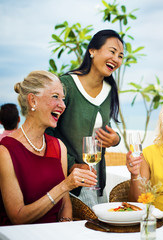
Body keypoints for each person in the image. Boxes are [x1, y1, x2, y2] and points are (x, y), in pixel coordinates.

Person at [0, 70, 97, 225]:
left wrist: (65, 227)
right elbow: (17, 217)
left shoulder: (59, 147)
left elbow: (65, 204)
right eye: (55, 97)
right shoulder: (5, 151)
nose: (63, 105)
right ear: (32, 101)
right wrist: (65, 185)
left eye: (63, 99)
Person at [47, 29, 123, 208]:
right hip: (68, 180)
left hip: (96, 180)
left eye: (120, 56)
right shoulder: (66, 85)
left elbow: (104, 126)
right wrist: (72, 165)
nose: (116, 59)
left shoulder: (109, 90)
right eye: (112, 52)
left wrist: (115, 139)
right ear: (92, 50)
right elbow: (48, 130)